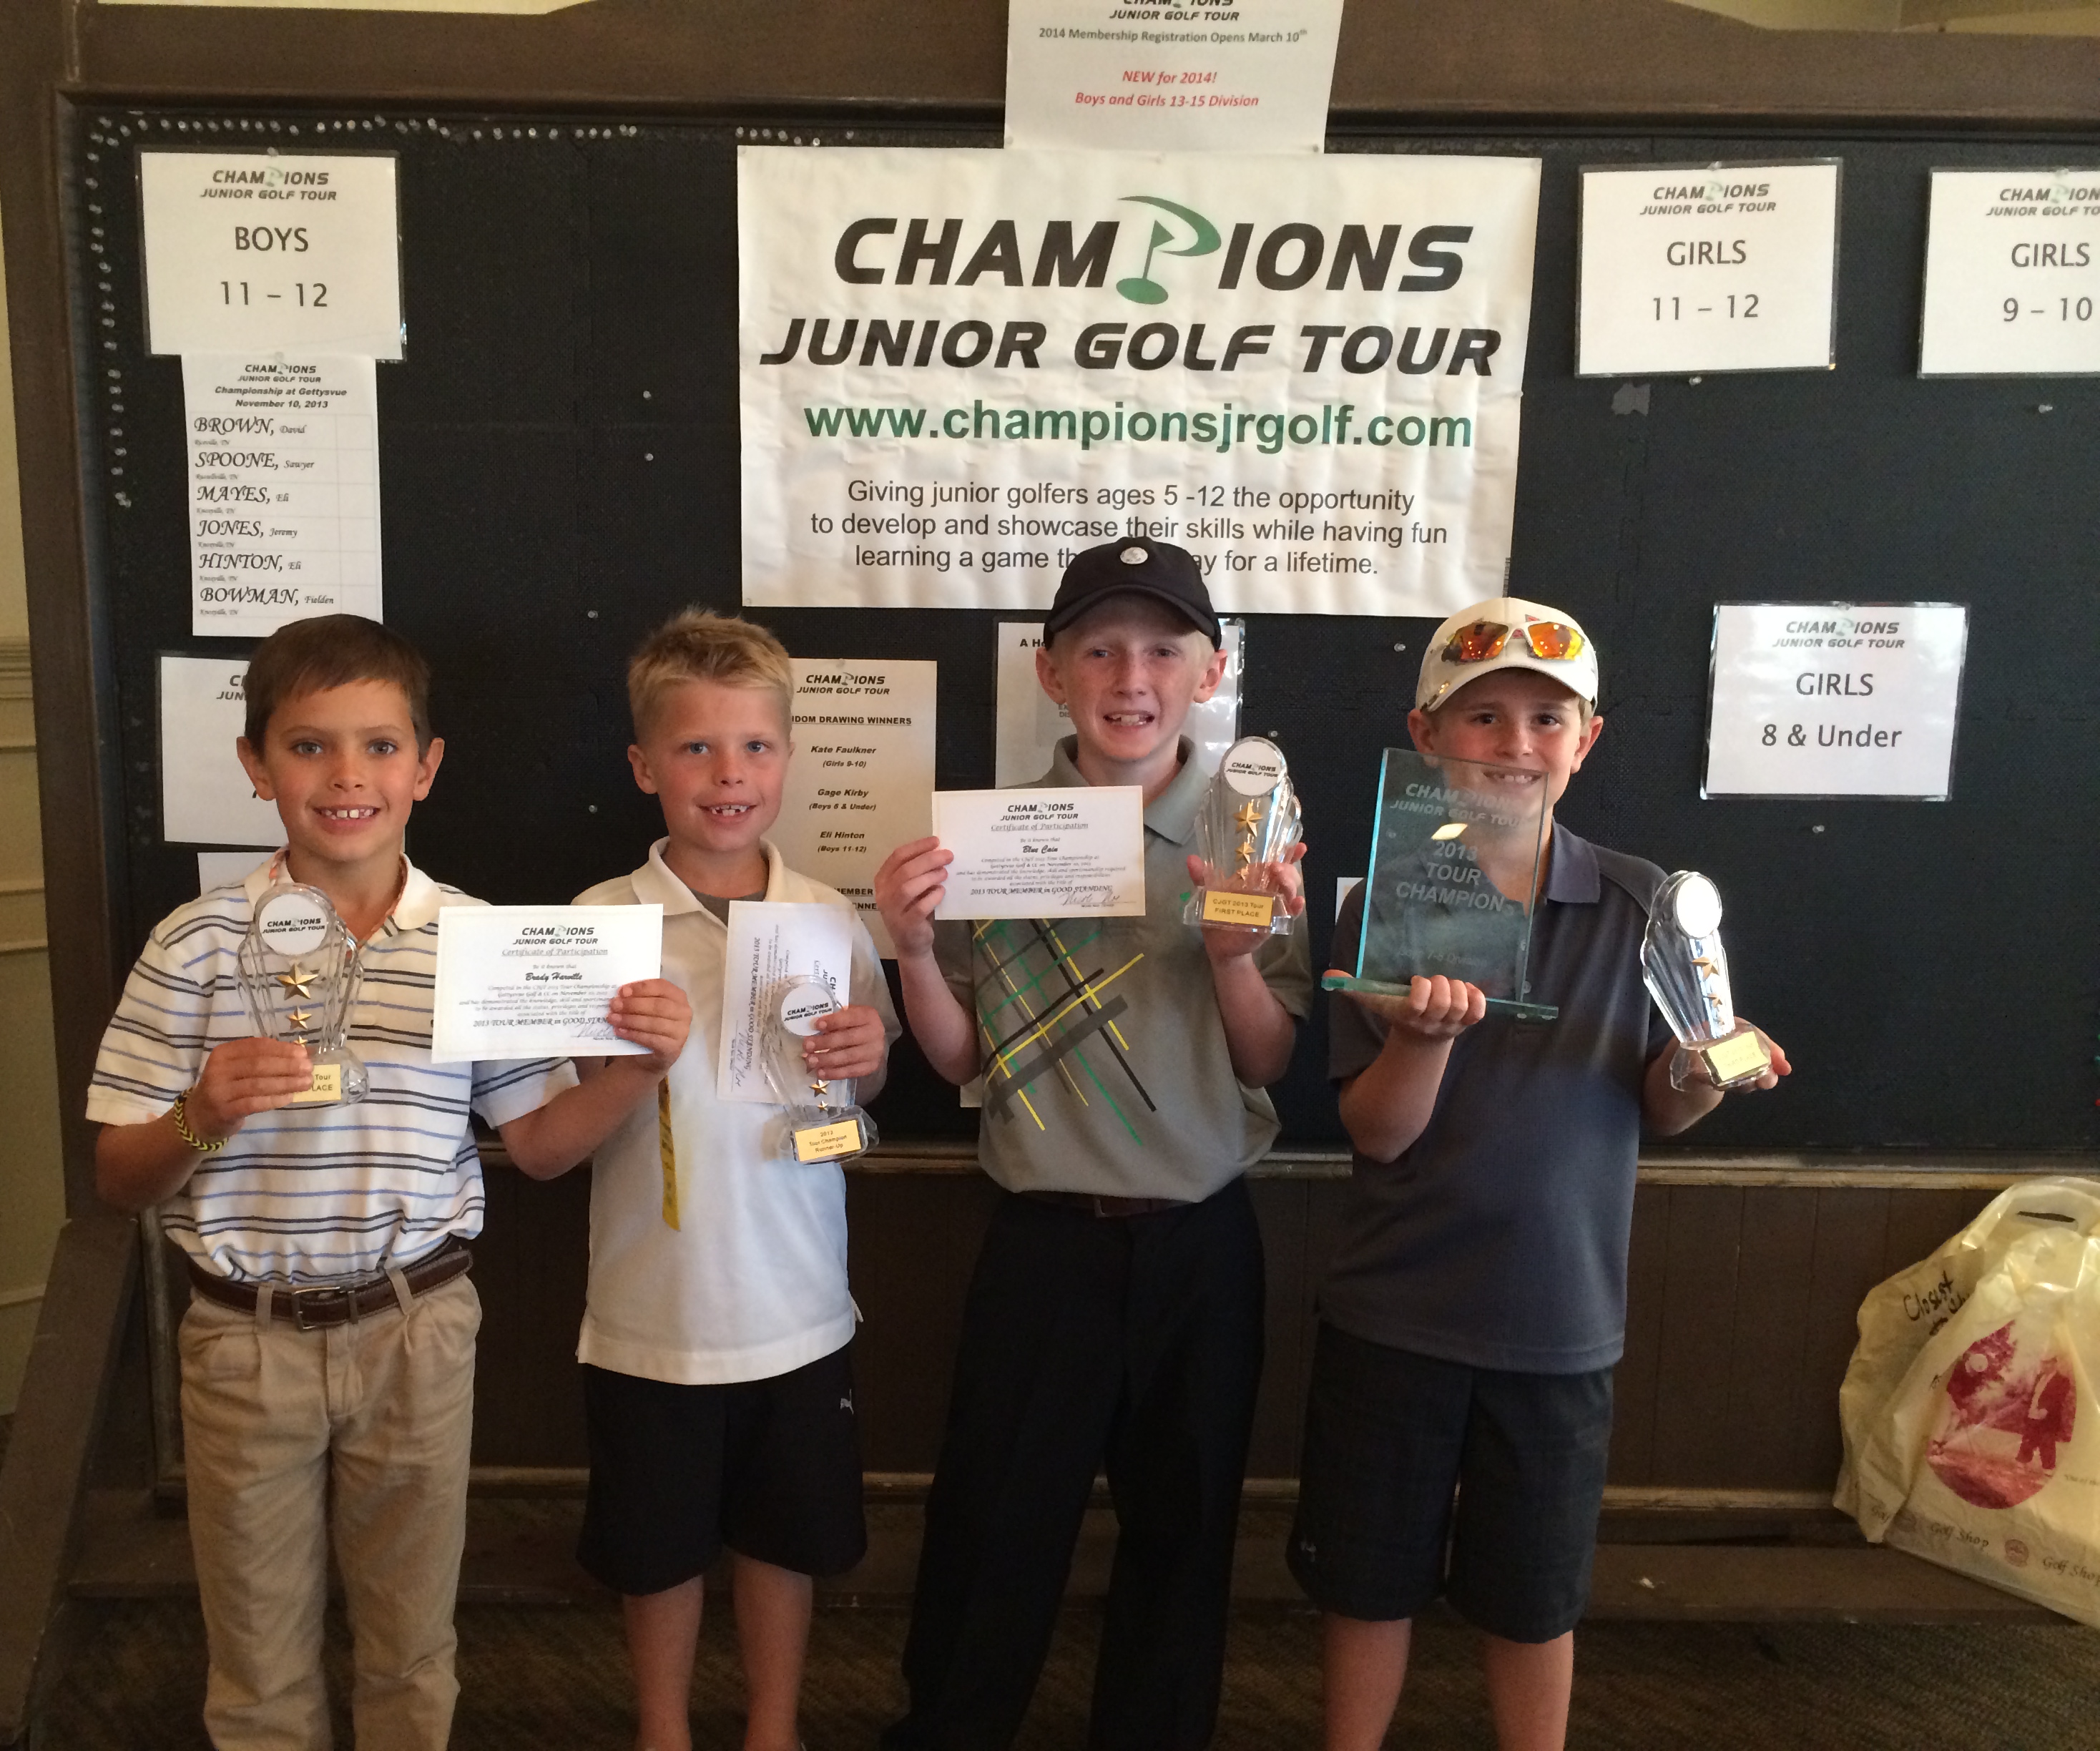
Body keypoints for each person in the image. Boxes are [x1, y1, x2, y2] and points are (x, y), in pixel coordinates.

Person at [87, 613, 687, 1750]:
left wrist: (636, 1072)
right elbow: (120, 1176)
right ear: (256, 766)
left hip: (416, 1330)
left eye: (378, 746)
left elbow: (547, 1148)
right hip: (243, 1337)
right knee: (257, 1659)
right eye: (310, 746)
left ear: (426, 766)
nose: (347, 775)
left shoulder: (473, 939)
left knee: (412, 1650)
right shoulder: (196, 945)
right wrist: (198, 1115)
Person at [1295, 597, 1793, 1751]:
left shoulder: (1644, 903)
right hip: (1396, 1315)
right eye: (1483, 718)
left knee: (1533, 1599)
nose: (1514, 745)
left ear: (1587, 739)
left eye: (1543, 719)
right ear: (1428, 736)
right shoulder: (1386, 901)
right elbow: (1375, 1135)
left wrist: (1712, 1068)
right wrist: (1420, 1040)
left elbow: (1665, 1111)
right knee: (1365, 1585)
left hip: (1560, 1326)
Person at [873, 537, 1312, 1750]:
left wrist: (1233, 957)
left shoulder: (1254, 832)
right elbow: (961, 1061)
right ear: (1050, 672)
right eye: (1101, 648)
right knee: (991, 1532)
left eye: (1163, 648)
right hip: (1044, 1246)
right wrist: (910, 949)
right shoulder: (995, 837)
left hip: (1201, 1248)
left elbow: (1271, 1060)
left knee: (1185, 1536)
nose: (1133, 675)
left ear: (1210, 670)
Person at [565, 609, 899, 1751]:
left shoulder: (827, 917)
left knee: (782, 1539)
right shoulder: (598, 924)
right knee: (654, 1553)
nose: (728, 774)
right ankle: (662, 1730)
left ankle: (774, 1727)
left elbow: (854, 1112)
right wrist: (624, 1067)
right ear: (644, 765)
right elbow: (552, 1139)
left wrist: (867, 1064)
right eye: (697, 748)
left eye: (755, 746)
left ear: (789, 759)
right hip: (650, 1321)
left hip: (799, 1315)